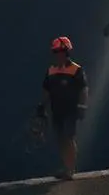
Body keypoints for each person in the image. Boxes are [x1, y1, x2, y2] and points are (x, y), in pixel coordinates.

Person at [37, 35, 88, 181]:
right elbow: (47, 89)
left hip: (70, 110)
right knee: (60, 139)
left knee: (69, 138)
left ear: (66, 53)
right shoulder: (51, 70)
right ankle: (66, 167)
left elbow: (83, 89)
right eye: (55, 52)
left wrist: (82, 106)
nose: (57, 54)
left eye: (59, 51)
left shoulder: (76, 70)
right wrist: (42, 106)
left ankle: (70, 170)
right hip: (56, 110)